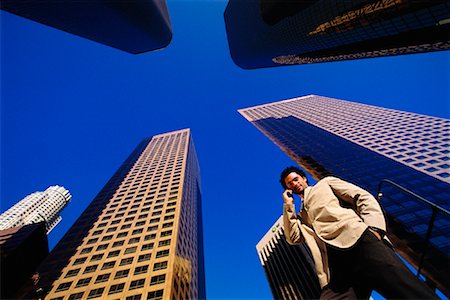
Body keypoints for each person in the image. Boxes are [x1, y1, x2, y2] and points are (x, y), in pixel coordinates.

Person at [280, 166, 438, 300]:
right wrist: (288, 206)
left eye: (295, 179)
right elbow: (293, 238)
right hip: (335, 267)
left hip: (360, 242)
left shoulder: (325, 184)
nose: (294, 184)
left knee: (408, 290)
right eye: (290, 184)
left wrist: (375, 228)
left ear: (304, 178)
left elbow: (361, 197)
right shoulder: (301, 215)